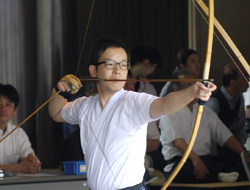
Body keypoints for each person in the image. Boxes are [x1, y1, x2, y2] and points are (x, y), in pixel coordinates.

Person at [48, 37, 216, 190]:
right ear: (93, 70)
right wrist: (60, 91)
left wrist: (193, 91)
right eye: (109, 64)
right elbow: (56, 113)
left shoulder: (134, 102)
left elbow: (164, 104)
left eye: (123, 65)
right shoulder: (85, 105)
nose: (117, 71)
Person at [160, 69, 248, 183]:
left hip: (206, 160)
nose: (196, 88)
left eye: (196, 84)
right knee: (189, 170)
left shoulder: (204, 111)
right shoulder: (169, 111)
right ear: (178, 91)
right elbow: (178, 142)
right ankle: (218, 175)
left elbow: (226, 136)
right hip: (181, 162)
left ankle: (218, 174)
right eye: (189, 85)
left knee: (241, 163)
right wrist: (195, 159)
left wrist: (244, 155)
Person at [206, 63, 249, 150]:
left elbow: (240, 126)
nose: (248, 80)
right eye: (244, 78)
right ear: (232, 83)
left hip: (234, 148)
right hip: (216, 151)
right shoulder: (214, 102)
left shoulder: (239, 97)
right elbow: (210, 133)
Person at [0, 84, 41, 173]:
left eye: (8, 105)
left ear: (15, 110)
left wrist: (32, 163)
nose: (3, 109)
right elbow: (23, 168)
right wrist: (19, 168)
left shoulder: (19, 133)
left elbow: (35, 164)